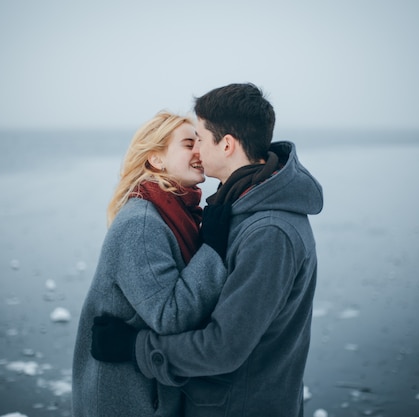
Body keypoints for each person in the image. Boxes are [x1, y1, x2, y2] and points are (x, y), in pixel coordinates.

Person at [91, 83, 324, 416]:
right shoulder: (238, 209)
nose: (197, 149)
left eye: (198, 137)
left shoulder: (269, 231)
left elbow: (223, 347)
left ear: (226, 144)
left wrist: (136, 347)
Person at [72, 111, 229, 416]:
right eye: (188, 144)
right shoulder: (142, 223)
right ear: (156, 160)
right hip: (126, 401)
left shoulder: (178, 215)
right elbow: (170, 316)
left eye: (199, 141)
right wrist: (214, 247)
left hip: (149, 394)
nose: (200, 150)